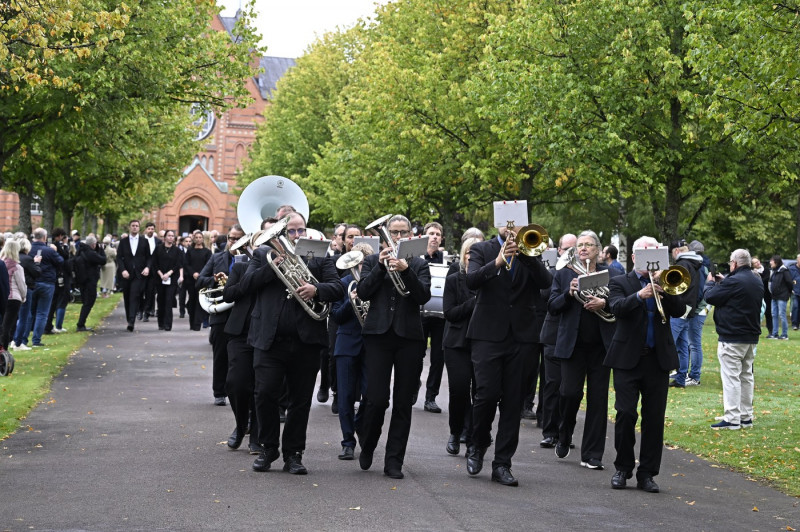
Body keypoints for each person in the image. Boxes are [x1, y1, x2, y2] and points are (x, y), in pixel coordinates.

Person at [245, 211, 343, 474]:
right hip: (270, 339)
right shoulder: (261, 254)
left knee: (300, 401)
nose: (296, 236)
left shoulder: (319, 254)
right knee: (264, 394)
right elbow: (246, 285)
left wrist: (317, 290)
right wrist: (272, 266)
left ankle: (293, 454)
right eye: (291, 231)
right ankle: (268, 448)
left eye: (300, 230)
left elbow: (338, 287)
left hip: (306, 340)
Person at [464, 219, 552, 486]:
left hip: (522, 337)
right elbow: (472, 281)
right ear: (498, 225)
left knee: (513, 403)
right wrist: (499, 262)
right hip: (487, 334)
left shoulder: (531, 250)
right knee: (486, 395)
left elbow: (546, 282)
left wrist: (526, 256)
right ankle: (477, 443)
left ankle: (502, 463)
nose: (511, 227)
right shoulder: (482, 249)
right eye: (506, 223)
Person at [605, 236, 684, 494]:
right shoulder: (619, 281)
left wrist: (665, 287)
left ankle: (648, 473)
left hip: (657, 359)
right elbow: (616, 307)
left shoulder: (665, 281)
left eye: (654, 252)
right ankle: (623, 467)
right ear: (635, 256)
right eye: (645, 252)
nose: (649, 257)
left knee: (654, 419)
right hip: (627, 358)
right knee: (626, 413)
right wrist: (640, 295)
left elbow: (680, 309)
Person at [356, 214, 431, 480]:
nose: (397, 237)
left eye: (402, 232)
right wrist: (379, 266)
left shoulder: (419, 264)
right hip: (378, 335)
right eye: (393, 232)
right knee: (375, 399)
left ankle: (394, 461)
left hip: (409, 337)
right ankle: (367, 443)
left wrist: (405, 270)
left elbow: (423, 296)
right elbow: (363, 292)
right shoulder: (369, 261)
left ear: (410, 235)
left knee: (402, 402)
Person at [548, 230, 617, 470]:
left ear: (598, 250)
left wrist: (604, 303)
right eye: (580, 245)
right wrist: (569, 294)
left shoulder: (612, 274)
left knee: (598, 400)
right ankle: (564, 433)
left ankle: (592, 455)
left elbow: (620, 303)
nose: (583, 249)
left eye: (589, 245)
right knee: (569, 393)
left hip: (600, 346)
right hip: (573, 346)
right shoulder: (564, 274)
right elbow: (552, 306)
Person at [704, 249, 763, 429]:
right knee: (746, 376)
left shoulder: (734, 280)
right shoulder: (755, 279)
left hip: (732, 335)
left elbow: (711, 297)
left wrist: (710, 284)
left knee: (731, 377)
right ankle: (746, 416)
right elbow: (737, 294)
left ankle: (732, 418)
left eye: (730, 262)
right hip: (750, 336)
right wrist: (724, 282)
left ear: (735, 263)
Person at [330, 241, 372, 460]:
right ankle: (348, 442)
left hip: (371, 346)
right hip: (346, 344)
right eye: (358, 263)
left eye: (364, 263)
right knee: (345, 397)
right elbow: (336, 316)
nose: (361, 267)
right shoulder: (344, 283)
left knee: (371, 395)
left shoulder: (376, 283)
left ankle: (359, 424)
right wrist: (351, 301)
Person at [197, 225, 245, 405]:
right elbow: (200, 280)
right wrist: (214, 280)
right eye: (231, 238)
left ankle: (237, 391)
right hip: (220, 315)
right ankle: (219, 392)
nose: (233, 242)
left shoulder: (249, 260)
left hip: (241, 313)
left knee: (239, 358)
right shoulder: (216, 258)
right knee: (220, 355)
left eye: (237, 239)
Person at [442, 237, 479, 456]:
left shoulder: (489, 281)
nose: (472, 259)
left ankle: (474, 437)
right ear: (464, 257)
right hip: (456, 343)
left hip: (482, 342)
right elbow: (450, 313)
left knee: (481, 393)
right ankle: (456, 431)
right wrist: (474, 302)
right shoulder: (454, 279)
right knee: (459, 390)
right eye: (469, 254)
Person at [538, 233, 576, 449]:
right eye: (566, 249)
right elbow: (545, 295)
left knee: (569, 387)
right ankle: (550, 431)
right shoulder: (553, 273)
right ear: (559, 251)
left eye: (574, 248)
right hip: (554, 334)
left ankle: (565, 433)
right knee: (552, 384)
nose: (570, 253)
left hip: (573, 336)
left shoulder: (586, 273)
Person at [666, 239, 705, 388]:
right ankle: (681, 378)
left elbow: (674, 288)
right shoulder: (694, 264)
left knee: (670, 341)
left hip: (680, 307)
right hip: (689, 307)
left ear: (676, 251)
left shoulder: (682, 264)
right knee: (682, 344)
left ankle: (668, 374)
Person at [421, 221, 446, 414]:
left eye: (438, 234)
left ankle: (431, 397)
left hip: (440, 316)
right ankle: (413, 388)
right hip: (419, 314)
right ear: (424, 236)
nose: (435, 236)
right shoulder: (416, 258)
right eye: (431, 233)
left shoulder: (446, 260)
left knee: (438, 358)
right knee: (416, 355)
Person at [27, 228, 63, 347]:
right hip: (47, 282)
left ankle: (23, 339)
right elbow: (60, 262)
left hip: (32, 282)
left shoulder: (29, 249)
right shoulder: (49, 251)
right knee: (42, 313)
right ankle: (36, 340)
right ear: (44, 237)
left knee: (29, 312)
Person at [117, 220, 153, 332]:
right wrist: (123, 270)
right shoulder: (123, 242)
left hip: (139, 274)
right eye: (133, 226)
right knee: (127, 297)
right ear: (129, 227)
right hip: (127, 274)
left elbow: (149, 257)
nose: (134, 228)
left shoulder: (144, 241)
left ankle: (131, 321)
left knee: (134, 296)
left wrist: (147, 267)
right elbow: (119, 257)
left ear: (139, 228)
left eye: (136, 226)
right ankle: (129, 318)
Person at [10, 238, 40, 351]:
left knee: (17, 317)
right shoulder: (28, 259)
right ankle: (19, 341)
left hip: (15, 290)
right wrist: (37, 263)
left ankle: (14, 340)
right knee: (25, 316)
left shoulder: (16, 258)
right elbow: (36, 272)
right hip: (26, 288)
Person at [152, 230, 184, 332]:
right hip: (159, 278)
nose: (171, 237)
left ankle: (167, 324)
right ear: (164, 237)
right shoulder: (158, 249)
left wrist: (169, 273)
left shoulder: (177, 251)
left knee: (169, 300)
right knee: (160, 300)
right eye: (169, 236)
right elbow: (154, 263)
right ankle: (160, 323)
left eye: (172, 236)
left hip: (172, 278)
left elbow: (178, 264)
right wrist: (161, 274)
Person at [74, 235, 107, 332]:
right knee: (89, 302)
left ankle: (81, 323)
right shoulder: (90, 253)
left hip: (82, 280)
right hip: (90, 280)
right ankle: (80, 324)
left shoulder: (80, 250)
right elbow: (103, 260)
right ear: (93, 244)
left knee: (86, 302)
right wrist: (101, 249)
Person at [1, 240, 26, 351]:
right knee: (7, 326)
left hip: (3, 296)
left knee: (3, 324)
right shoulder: (17, 267)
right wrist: (23, 296)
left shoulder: (2, 264)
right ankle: (4, 348)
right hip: (14, 297)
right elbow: (21, 285)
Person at [185, 231, 211, 331]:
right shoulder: (190, 251)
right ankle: (192, 323)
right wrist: (193, 273)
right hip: (191, 280)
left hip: (202, 280)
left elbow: (208, 265)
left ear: (203, 239)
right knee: (191, 301)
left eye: (200, 237)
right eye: (197, 237)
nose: (198, 239)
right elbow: (186, 264)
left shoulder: (207, 252)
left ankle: (197, 324)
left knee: (199, 302)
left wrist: (200, 274)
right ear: (194, 239)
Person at [767, 255, 793, 340]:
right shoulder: (774, 271)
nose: (770, 262)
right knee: (774, 314)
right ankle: (775, 334)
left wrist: (787, 293)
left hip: (782, 296)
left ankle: (784, 334)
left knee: (781, 315)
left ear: (776, 262)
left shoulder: (784, 271)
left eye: (772, 261)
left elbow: (790, 283)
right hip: (774, 296)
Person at [140, 222, 161, 321]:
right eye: (149, 229)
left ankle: (147, 312)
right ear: (145, 230)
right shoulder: (141, 240)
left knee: (150, 291)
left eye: (152, 229)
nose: (150, 230)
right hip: (141, 269)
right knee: (140, 291)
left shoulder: (158, 241)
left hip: (153, 270)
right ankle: (140, 310)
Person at [788, 254, 800, 331]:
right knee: (795, 307)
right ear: (797, 260)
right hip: (795, 292)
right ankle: (795, 324)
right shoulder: (791, 269)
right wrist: (791, 289)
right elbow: (788, 280)